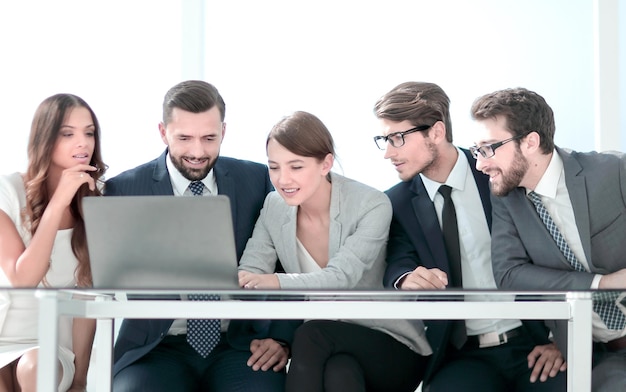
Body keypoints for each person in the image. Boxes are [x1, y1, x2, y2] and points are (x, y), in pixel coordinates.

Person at [373, 82, 567, 392]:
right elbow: (397, 259)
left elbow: (558, 251)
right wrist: (406, 277)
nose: (387, 153)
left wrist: (562, 340)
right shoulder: (396, 202)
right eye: (383, 140)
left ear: (436, 132)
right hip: (463, 356)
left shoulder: (500, 173)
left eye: (397, 139)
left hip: (534, 341)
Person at [106, 80, 298, 392]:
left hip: (239, 345)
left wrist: (281, 337)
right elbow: (108, 276)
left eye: (209, 138)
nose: (198, 152)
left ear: (224, 131)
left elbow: (288, 265)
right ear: (162, 131)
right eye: (184, 138)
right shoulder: (123, 190)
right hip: (157, 348)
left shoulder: (257, 181)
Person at [237, 110, 431, 392]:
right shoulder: (274, 207)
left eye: (296, 166)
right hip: (331, 350)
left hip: (391, 343)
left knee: (311, 333)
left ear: (326, 163)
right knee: (340, 373)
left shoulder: (370, 204)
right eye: (274, 167)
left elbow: (341, 279)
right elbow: (251, 269)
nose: (283, 179)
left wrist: (274, 281)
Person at [470, 87, 626, 392]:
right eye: (477, 150)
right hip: (604, 355)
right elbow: (509, 274)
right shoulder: (506, 198)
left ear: (530, 142)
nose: (480, 164)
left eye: (489, 148)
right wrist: (599, 284)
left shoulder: (613, 171)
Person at [0, 93, 106, 391]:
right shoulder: (7, 190)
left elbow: (88, 300)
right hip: (3, 336)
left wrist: (81, 380)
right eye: (67, 134)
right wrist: (59, 200)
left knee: (36, 367)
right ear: (44, 139)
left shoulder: (98, 203)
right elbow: (22, 278)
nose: (83, 143)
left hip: (49, 346)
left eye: (89, 133)